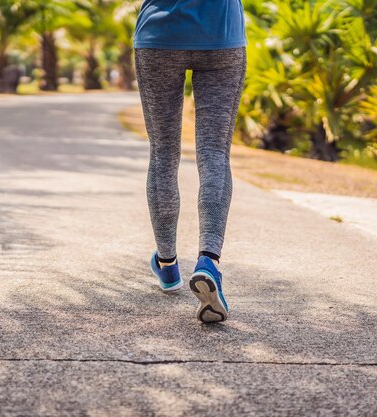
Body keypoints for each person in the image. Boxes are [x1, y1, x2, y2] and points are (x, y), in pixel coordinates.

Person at [134, 0, 247, 323]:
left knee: (163, 153)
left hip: (159, 36)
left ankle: (168, 265)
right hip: (222, 36)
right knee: (214, 152)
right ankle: (208, 261)